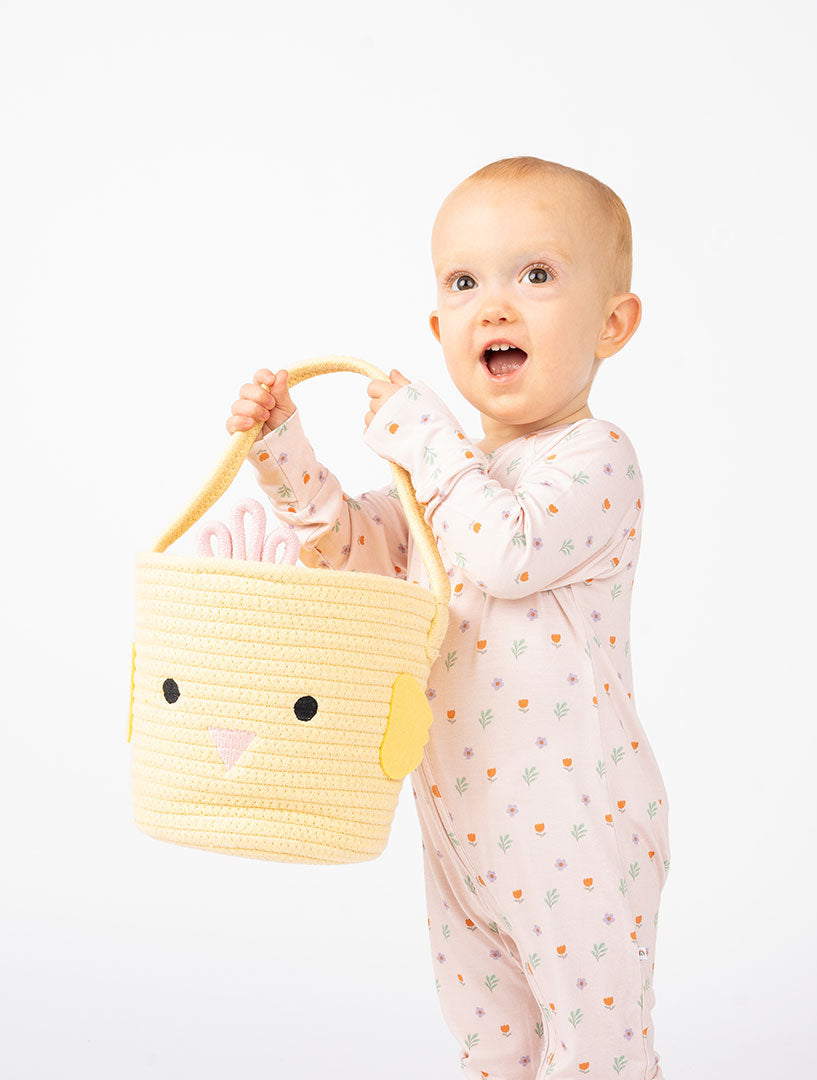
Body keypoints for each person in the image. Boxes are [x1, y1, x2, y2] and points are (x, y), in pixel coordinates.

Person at [227, 155, 671, 1080]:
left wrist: (425, 438)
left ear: (613, 324)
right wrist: (280, 445)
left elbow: (504, 550)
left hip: (578, 825)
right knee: (492, 1047)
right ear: (439, 328)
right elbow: (356, 550)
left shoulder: (597, 459)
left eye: (536, 276)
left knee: (596, 1056)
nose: (495, 307)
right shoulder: (448, 475)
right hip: (463, 831)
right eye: (465, 283)